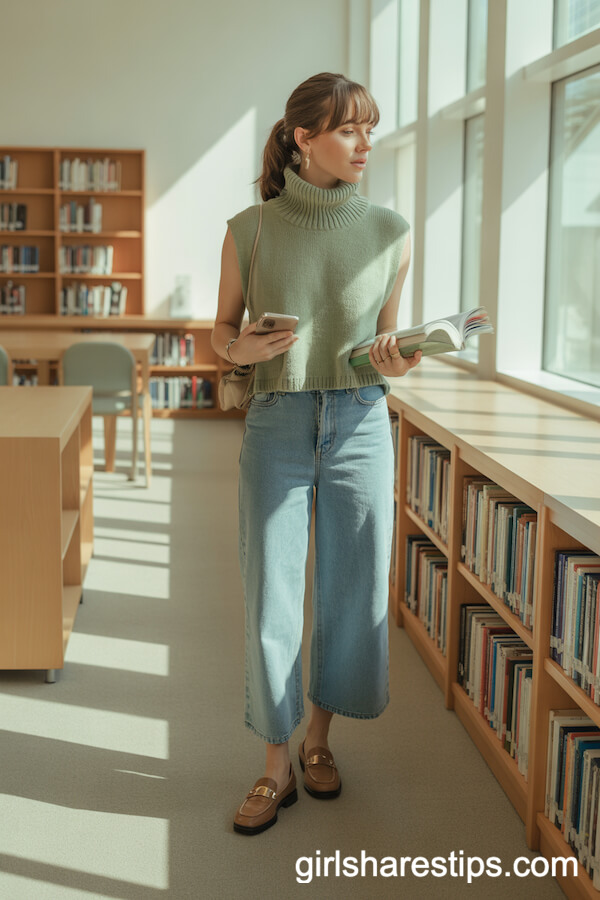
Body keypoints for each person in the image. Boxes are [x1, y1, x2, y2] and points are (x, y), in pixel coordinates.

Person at [211, 72, 422, 836]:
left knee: (352, 590)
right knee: (272, 594)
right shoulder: (250, 228)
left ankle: (320, 742)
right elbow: (220, 336)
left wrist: (398, 360)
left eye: (371, 129)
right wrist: (244, 347)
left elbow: (384, 343)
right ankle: (274, 765)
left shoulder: (392, 230)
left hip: (363, 417)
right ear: (304, 137)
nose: (366, 143)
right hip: (277, 418)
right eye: (348, 130)